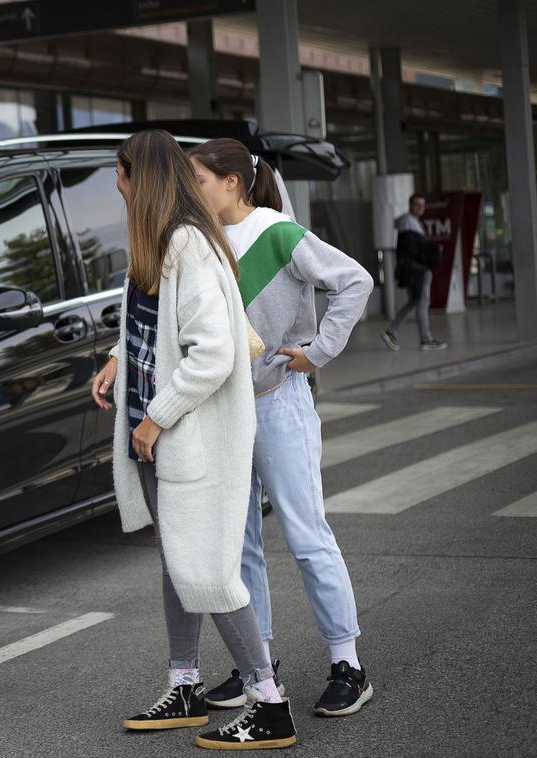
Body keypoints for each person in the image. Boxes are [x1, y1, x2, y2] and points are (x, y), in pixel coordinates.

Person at [91, 130, 297, 751]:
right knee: (179, 562)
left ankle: (269, 701)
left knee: (207, 569)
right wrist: (116, 361)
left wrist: (155, 416)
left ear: (142, 177)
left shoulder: (187, 244)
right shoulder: (157, 243)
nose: (117, 185)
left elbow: (212, 353)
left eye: (121, 174)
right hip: (162, 439)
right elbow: (159, 336)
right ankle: (184, 684)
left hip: (187, 438)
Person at [188, 137, 375, 719]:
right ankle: (257, 668)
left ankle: (349, 665)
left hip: (278, 402)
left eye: (198, 179)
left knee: (306, 535)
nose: (192, 190)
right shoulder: (207, 241)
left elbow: (356, 281)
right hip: (226, 411)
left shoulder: (279, 234)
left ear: (232, 183)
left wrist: (317, 352)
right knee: (240, 544)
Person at [384, 193, 447, 351]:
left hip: (413, 270)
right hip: (416, 271)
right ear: (410, 205)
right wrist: (433, 251)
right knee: (421, 303)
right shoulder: (409, 223)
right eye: (417, 204)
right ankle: (425, 339)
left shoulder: (410, 223)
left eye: (423, 205)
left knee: (415, 301)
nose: (421, 208)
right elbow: (415, 250)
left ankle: (391, 331)